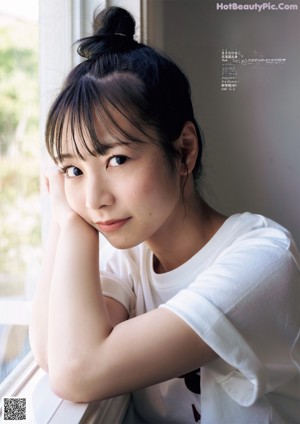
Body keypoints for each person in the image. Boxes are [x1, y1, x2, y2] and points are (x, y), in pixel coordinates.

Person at [29, 5, 300, 423]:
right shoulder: (131, 255)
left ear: (184, 150)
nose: (95, 197)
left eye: (117, 160)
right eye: (74, 170)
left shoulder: (262, 261)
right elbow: (53, 351)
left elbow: (77, 372)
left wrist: (75, 220)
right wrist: (66, 223)